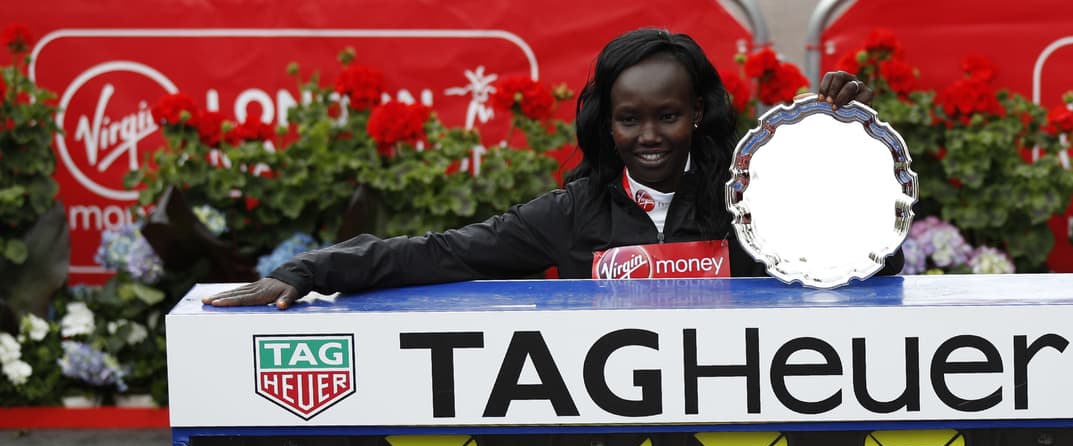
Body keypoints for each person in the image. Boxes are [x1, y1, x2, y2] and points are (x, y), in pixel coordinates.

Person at [204, 28, 897, 310]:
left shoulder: (751, 201)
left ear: (700, 116)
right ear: (605, 122)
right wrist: (308, 271)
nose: (650, 136)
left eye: (669, 116)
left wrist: (839, 149)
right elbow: (442, 253)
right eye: (630, 119)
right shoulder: (571, 215)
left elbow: (867, 262)